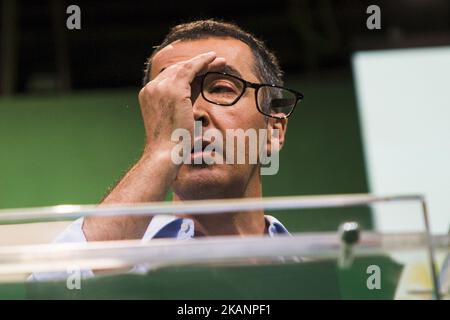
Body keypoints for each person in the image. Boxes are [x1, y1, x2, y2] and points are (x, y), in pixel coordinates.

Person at [30, 19, 304, 280]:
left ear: (273, 131)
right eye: (172, 96)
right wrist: (162, 152)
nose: (192, 112)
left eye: (221, 88)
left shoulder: (319, 265)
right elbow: (51, 290)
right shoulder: (123, 263)